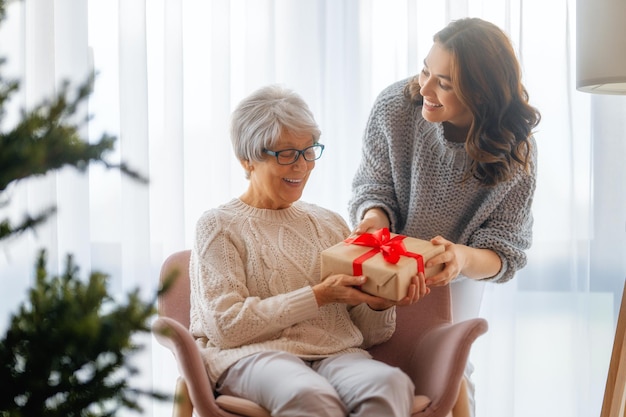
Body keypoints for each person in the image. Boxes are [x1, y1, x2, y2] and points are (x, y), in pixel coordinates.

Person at [189, 84, 430, 417]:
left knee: (390, 385)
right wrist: (317, 296)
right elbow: (226, 327)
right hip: (253, 356)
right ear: (248, 158)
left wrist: (379, 303)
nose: (302, 165)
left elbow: (370, 335)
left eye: (308, 150)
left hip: (338, 355)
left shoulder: (329, 223)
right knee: (308, 394)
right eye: (286, 153)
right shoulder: (219, 226)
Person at [348, 17, 541, 414]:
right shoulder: (396, 107)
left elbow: (505, 250)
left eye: (445, 83)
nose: (424, 89)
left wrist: (460, 259)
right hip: (387, 262)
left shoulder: (515, 148)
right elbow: (374, 186)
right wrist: (374, 219)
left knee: (450, 376)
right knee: (368, 366)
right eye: (424, 70)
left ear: (481, 93)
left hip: (456, 277)